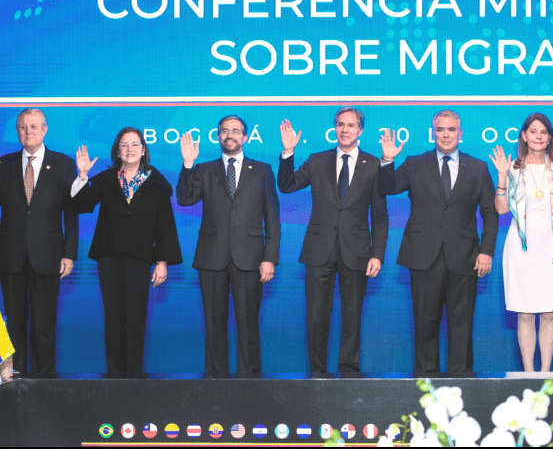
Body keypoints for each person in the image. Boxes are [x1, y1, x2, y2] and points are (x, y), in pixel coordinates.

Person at [380, 109, 498, 374]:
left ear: (461, 133)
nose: (446, 135)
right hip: (423, 256)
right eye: (440, 130)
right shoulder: (414, 163)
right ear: (433, 132)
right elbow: (387, 188)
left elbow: (490, 214)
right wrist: (387, 161)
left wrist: (486, 252)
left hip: (466, 257)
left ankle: (462, 385)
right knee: (425, 325)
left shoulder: (478, 168)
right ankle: (426, 387)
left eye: (451, 129)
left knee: (462, 326)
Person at [277, 107, 388, 376]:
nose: (345, 130)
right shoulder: (317, 161)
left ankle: (349, 369)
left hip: (358, 251)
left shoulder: (374, 164)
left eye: (351, 125)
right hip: (319, 250)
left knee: (352, 315)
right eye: (340, 124)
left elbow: (381, 216)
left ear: (360, 131)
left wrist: (377, 254)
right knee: (316, 315)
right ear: (334, 128)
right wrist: (288, 152)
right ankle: (318, 370)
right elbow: (287, 185)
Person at [66, 128, 182, 374]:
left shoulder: (156, 181)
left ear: (143, 150)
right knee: (114, 318)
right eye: (124, 145)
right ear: (117, 151)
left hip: (140, 258)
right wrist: (83, 175)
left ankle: (134, 376)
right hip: (109, 257)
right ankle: (115, 376)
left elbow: (166, 224)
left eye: (135, 145)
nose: (130, 150)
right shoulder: (106, 178)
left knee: (136, 319)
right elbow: (79, 205)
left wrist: (162, 261)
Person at [177, 115, 280, 374]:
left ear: (245, 137)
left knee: (248, 325)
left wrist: (270, 257)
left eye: (235, 131)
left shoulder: (263, 170)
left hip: (251, 258)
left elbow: (273, 218)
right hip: (212, 258)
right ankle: (216, 385)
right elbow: (184, 199)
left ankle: (250, 385)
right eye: (224, 131)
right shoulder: (203, 169)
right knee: (213, 325)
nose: (230, 135)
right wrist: (188, 164)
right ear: (218, 136)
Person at [489, 113, 553, 372]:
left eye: (544, 132)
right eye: (533, 132)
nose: (539, 137)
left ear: (550, 138)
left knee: (549, 313)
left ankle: (546, 373)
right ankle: (528, 374)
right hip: (521, 249)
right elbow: (502, 210)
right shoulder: (513, 167)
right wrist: (502, 176)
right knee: (524, 313)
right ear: (524, 136)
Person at [0, 108, 78, 374]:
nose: (28, 131)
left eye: (34, 126)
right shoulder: (4, 164)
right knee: (14, 325)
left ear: (45, 130)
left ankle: (44, 381)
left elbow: (72, 212)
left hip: (49, 256)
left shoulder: (64, 164)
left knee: (44, 325)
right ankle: (14, 379)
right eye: (22, 126)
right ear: (17, 131)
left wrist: (69, 253)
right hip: (10, 257)